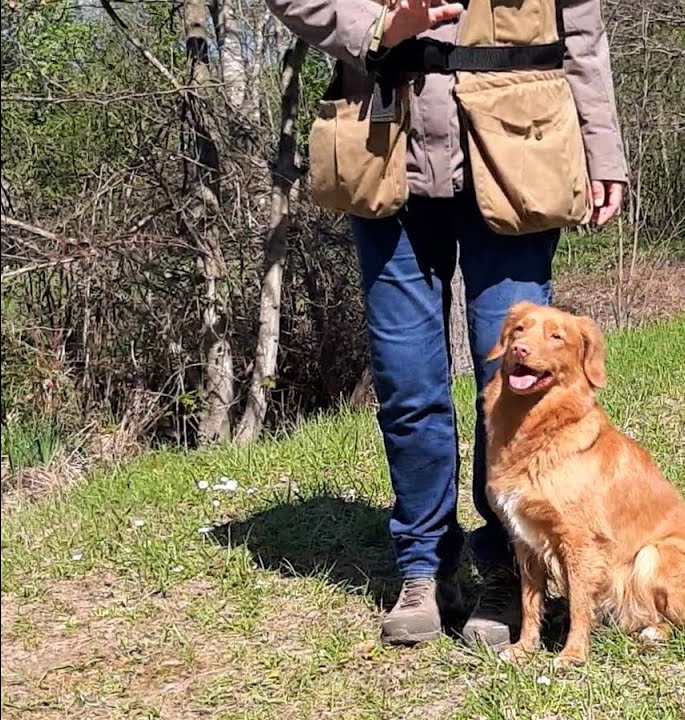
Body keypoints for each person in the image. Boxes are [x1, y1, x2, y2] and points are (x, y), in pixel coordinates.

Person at [265, 0, 628, 648]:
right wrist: (380, 29)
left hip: (520, 154)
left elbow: (580, 28)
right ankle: (423, 567)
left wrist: (603, 149)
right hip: (384, 153)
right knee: (408, 383)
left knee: (519, 384)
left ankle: (504, 566)